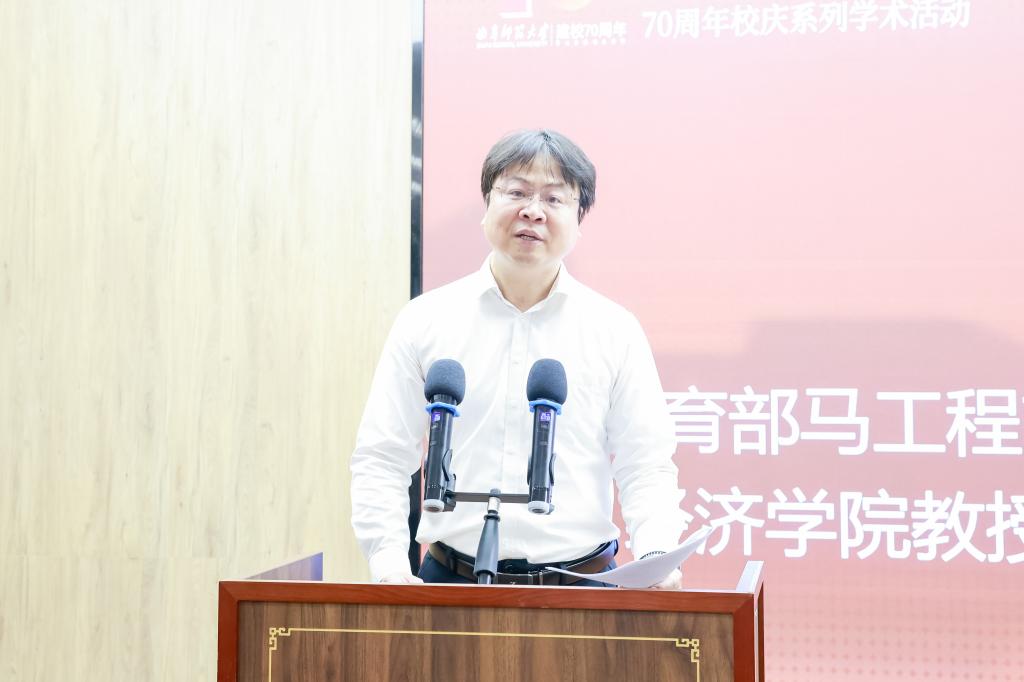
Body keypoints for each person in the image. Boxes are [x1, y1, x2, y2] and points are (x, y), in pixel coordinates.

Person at [350, 129, 685, 587]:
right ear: (487, 204)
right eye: (517, 192)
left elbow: (645, 461)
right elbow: (383, 455)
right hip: (450, 580)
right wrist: (389, 563)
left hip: (582, 586)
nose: (533, 210)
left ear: (579, 219)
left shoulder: (614, 329)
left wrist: (656, 553)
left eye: (554, 198)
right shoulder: (425, 319)